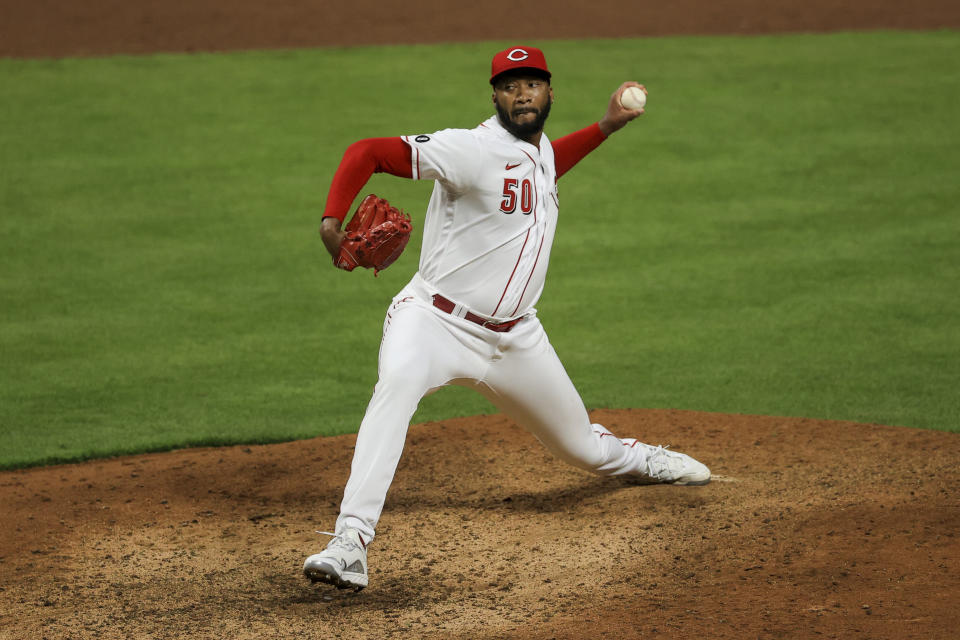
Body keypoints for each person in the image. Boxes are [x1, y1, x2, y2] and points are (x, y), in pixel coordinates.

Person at [303, 46, 710, 592]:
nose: (522, 93)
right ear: (494, 95)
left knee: (582, 447)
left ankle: (637, 460)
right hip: (434, 322)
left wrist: (606, 127)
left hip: (518, 337)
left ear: (549, 91)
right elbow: (367, 151)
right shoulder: (470, 149)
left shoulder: (536, 150)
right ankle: (349, 542)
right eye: (510, 85)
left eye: (533, 83)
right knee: (396, 387)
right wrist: (332, 222)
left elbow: (546, 165)